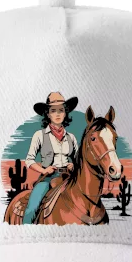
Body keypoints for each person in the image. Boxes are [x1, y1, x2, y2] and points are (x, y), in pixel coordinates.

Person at [23, 92, 79, 224]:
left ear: (65, 113)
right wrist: (44, 170)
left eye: (61, 110)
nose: (58, 114)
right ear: (47, 114)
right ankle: (26, 228)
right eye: (53, 111)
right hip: (48, 178)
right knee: (32, 208)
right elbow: (29, 160)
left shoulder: (71, 137)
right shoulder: (39, 135)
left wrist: (74, 165)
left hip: (69, 176)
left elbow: (79, 160)